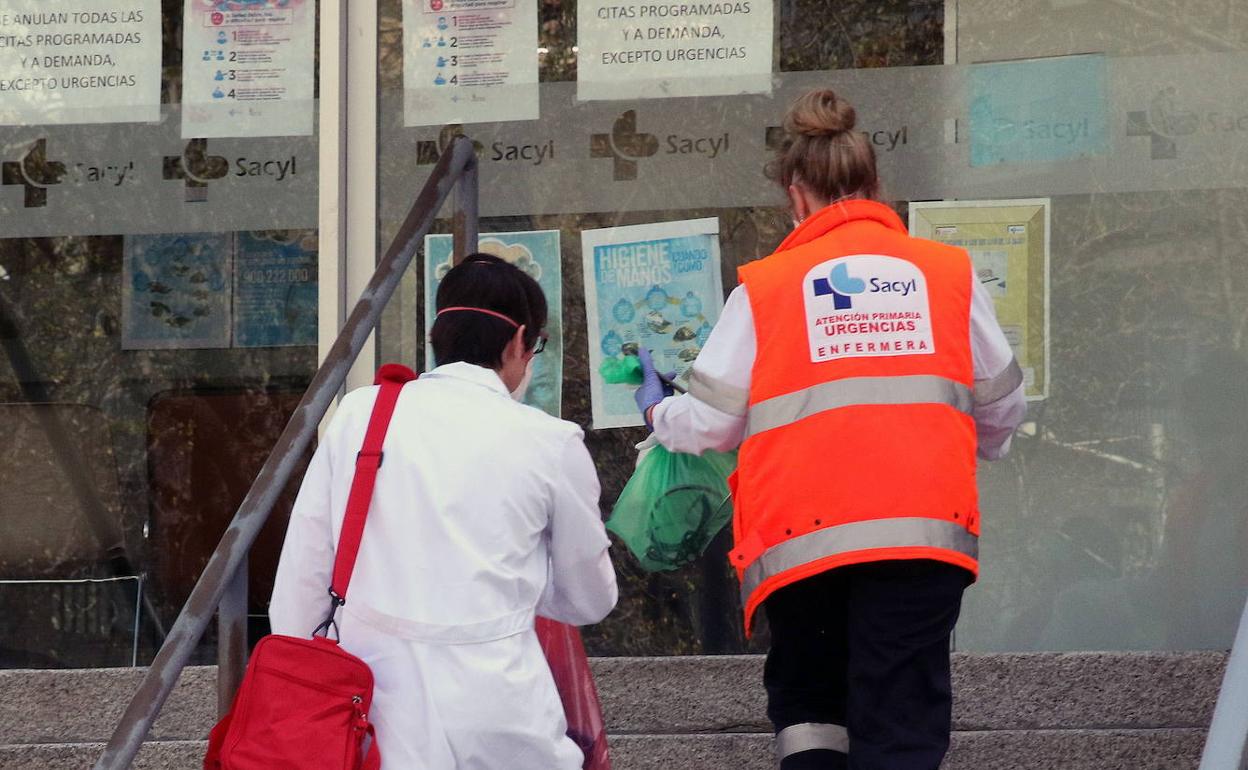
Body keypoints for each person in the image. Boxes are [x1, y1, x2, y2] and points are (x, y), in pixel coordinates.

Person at [634, 89, 1027, 770]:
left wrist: (656, 411)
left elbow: (710, 422)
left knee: (813, 718)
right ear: (874, 185)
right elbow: (1000, 409)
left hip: (803, 546)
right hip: (920, 538)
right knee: (900, 722)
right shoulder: (948, 275)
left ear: (795, 194)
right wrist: (976, 444)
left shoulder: (767, 287)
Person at [271, 253, 618, 769]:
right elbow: (589, 599)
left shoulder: (361, 416)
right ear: (520, 340)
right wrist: (518, 577)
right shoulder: (551, 443)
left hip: (370, 711)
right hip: (503, 716)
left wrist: (302, 687)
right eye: (536, 347)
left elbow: (303, 577)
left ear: (440, 334)